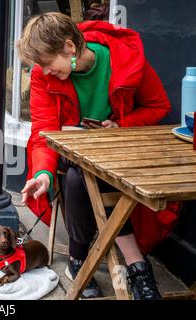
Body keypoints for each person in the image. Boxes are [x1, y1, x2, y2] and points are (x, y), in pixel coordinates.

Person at [16, 13, 180, 300]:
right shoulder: (44, 76)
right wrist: (42, 173)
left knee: (81, 178)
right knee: (83, 168)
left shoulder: (126, 60)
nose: (42, 71)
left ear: (69, 47)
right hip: (67, 149)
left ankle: (79, 258)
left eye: (46, 62)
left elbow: (158, 106)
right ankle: (137, 267)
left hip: (113, 152)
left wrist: (121, 125)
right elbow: (43, 131)